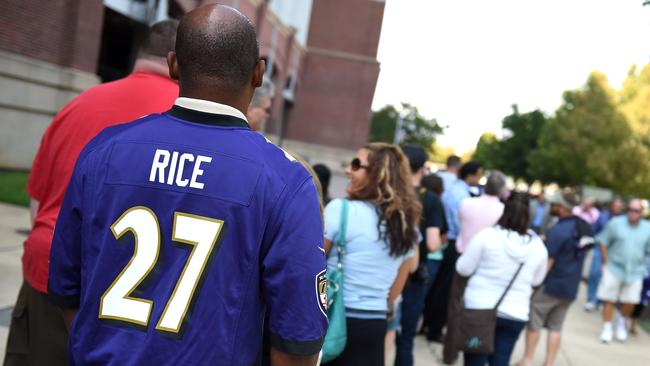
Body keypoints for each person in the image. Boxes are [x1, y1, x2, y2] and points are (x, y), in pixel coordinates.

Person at [47, 5, 326, 365]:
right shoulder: (286, 180)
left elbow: (67, 293)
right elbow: (297, 340)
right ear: (258, 74)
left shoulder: (106, 149)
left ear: (173, 64)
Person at [3, 20, 179, 366]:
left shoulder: (79, 104)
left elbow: (38, 203)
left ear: (142, 55)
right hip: (129, 302)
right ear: (179, 62)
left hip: (47, 279)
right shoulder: (186, 120)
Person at [323, 143, 421, 366]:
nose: (348, 169)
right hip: (375, 326)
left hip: (333, 319)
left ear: (378, 174)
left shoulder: (340, 210)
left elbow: (311, 269)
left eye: (357, 165)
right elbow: (394, 291)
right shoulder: (406, 225)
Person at [456, 192, 548, 366]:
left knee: (474, 360)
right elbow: (537, 281)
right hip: (515, 312)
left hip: (479, 309)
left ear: (505, 210)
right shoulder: (538, 247)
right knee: (501, 360)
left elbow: (463, 268)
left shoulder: (487, 236)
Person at [520, 190, 593, 366]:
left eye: (554, 204)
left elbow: (549, 261)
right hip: (570, 287)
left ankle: (527, 360)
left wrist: (535, 284)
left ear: (562, 208)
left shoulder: (559, 229)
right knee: (556, 327)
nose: (550, 207)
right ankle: (549, 363)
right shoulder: (580, 226)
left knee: (534, 323)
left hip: (551, 285)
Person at [394, 146, 446, 366]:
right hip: (415, 277)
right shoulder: (430, 199)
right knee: (406, 338)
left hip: (385, 271)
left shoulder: (389, 191)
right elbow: (433, 244)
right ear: (423, 168)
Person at [426, 162, 483, 342]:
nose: (480, 178)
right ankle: (433, 328)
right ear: (471, 175)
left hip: (450, 241)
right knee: (445, 290)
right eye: (478, 175)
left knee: (440, 287)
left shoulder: (458, 190)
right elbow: (460, 222)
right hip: (453, 242)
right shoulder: (461, 194)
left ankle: (429, 324)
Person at [596, 199, 650, 343]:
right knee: (609, 299)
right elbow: (603, 241)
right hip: (614, 267)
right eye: (631, 209)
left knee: (631, 301)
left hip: (636, 271)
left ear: (641, 213)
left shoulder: (647, 228)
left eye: (636, 210)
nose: (633, 213)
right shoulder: (616, 223)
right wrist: (605, 261)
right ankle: (607, 328)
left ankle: (621, 321)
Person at [584, 198, 624, 311]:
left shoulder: (623, 220)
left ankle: (601, 301)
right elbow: (593, 230)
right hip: (599, 248)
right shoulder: (603, 217)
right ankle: (591, 300)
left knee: (607, 276)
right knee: (595, 273)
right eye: (615, 205)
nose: (616, 208)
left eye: (619, 206)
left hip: (614, 251)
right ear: (612, 206)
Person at [455, 171, 506, 253]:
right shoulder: (503, 210)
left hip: (463, 252)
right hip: (486, 257)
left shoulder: (466, 203)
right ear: (502, 189)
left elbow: (459, 224)